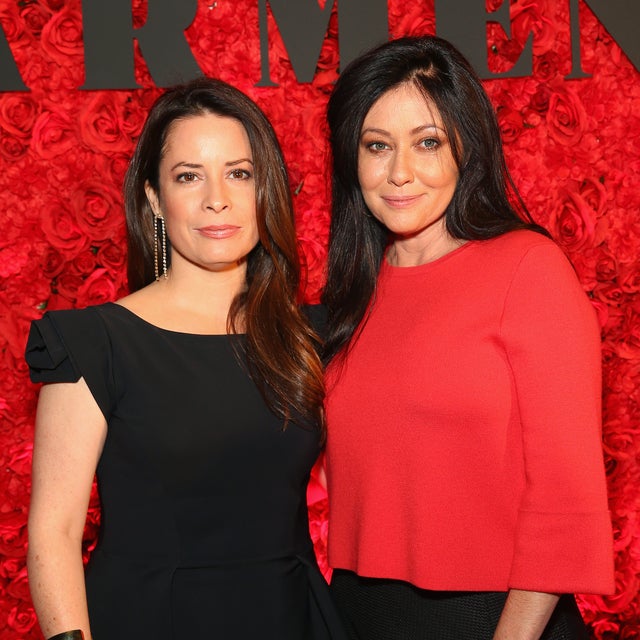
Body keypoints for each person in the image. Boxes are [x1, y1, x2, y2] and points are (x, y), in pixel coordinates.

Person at [25, 77, 345, 640]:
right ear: (154, 198)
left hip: (288, 617)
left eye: (239, 173)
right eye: (188, 176)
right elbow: (55, 530)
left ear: (264, 189)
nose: (216, 197)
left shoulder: (309, 336)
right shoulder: (92, 344)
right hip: (148, 618)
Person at [321, 35, 614, 640]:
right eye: (377, 146)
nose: (399, 172)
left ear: (467, 151)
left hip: (495, 619)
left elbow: (564, 495)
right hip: (357, 614)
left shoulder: (527, 269)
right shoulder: (353, 291)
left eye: (427, 143)